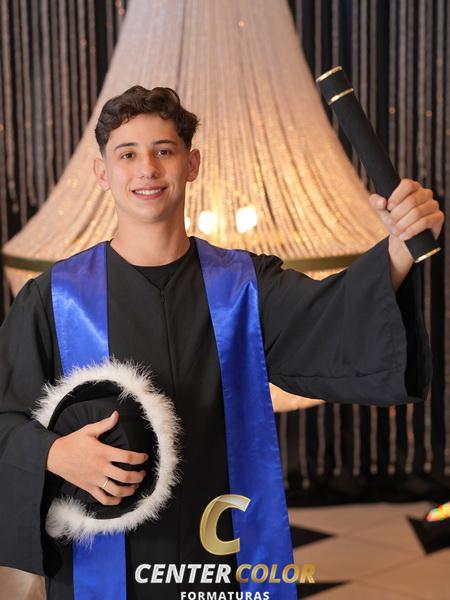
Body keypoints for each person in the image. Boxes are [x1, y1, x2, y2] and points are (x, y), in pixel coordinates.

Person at [0, 85, 444, 600]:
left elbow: (332, 317)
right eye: (128, 154)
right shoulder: (56, 299)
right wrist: (54, 454)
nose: (147, 169)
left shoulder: (243, 285)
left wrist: (399, 246)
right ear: (102, 172)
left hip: (219, 548)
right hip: (101, 559)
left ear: (192, 164)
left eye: (164, 151)